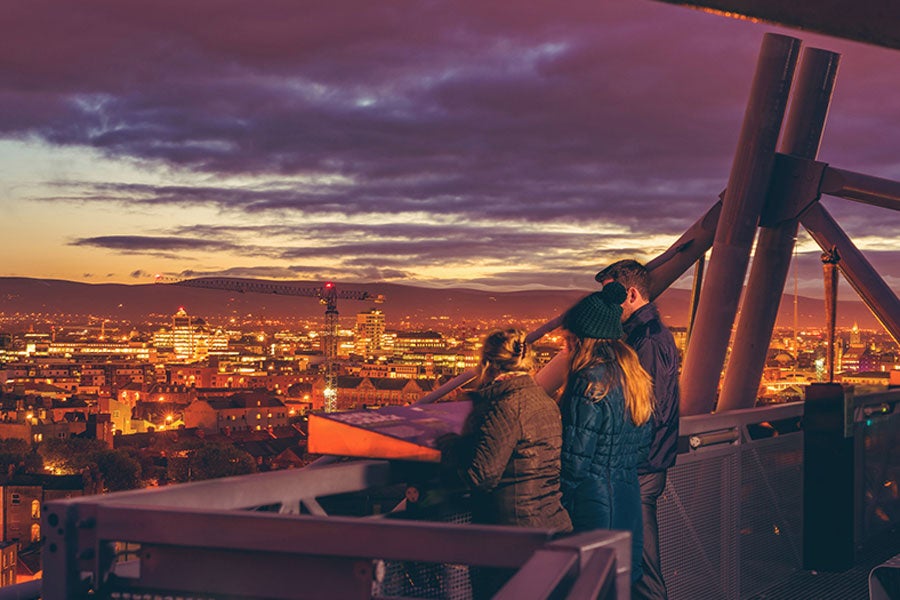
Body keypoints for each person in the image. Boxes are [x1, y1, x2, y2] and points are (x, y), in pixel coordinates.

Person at [440, 328, 572, 598]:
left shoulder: (505, 405)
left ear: (487, 363)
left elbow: (482, 475)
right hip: (551, 524)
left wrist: (450, 447)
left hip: (512, 536)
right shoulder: (545, 402)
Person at [558, 282, 654, 584]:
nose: (565, 347)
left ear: (583, 340)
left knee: (590, 582)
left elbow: (575, 460)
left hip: (593, 501)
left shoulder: (588, 380)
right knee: (620, 581)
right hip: (627, 494)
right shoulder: (633, 374)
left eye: (569, 340)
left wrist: (560, 500)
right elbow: (643, 446)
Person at [596, 259, 680, 600]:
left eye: (611, 296)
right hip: (643, 465)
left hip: (639, 469)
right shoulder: (650, 336)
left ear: (630, 294)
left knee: (642, 571)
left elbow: (649, 410)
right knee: (635, 568)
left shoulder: (646, 340)